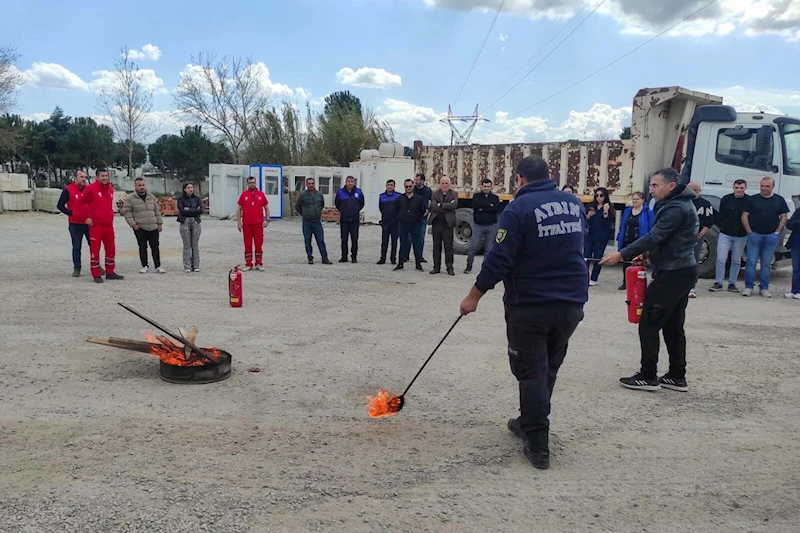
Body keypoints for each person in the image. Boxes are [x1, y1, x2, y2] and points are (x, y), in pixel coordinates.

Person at [459, 155, 587, 470]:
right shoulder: (573, 205)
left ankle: (538, 445)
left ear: (519, 179)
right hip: (571, 304)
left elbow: (498, 259)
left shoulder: (518, 208)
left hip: (530, 305)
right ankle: (529, 419)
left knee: (530, 372)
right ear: (549, 176)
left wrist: (473, 296)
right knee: (549, 367)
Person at [600, 167, 698, 393]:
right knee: (673, 325)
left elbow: (655, 236)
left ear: (671, 186)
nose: (651, 190)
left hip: (674, 273)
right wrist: (647, 254)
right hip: (680, 270)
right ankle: (676, 376)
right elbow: (665, 240)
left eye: (655, 185)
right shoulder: (675, 204)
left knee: (649, 323)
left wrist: (621, 254)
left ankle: (648, 376)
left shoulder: (676, 208)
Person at [741, 177, 789, 298]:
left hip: (771, 236)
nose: (764, 188)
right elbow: (744, 215)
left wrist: (777, 232)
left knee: (766, 263)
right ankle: (748, 287)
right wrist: (749, 231)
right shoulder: (752, 199)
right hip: (754, 235)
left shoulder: (779, 200)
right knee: (751, 262)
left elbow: (784, 216)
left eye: (767, 186)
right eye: (762, 186)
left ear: (773, 186)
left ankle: (764, 288)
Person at [81, 168, 123, 283]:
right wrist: (86, 217)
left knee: (111, 248)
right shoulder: (91, 189)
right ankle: (96, 273)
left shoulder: (110, 189)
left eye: (106, 176)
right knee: (95, 249)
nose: (105, 178)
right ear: (97, 177)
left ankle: (110, 271)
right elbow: (81, 203)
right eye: (102, 176)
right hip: (96, 224)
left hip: (108, 224)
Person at [57, 170, 103, 277]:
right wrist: (71, 213)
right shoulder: (68, 190)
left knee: (93, 246)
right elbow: (60, 206)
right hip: (75, 224)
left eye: (85, 177)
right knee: (76, 246)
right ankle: (77, 268)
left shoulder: (89, 189)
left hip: (89, 223)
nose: (83, 179)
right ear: (75, 178)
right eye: (81, 177)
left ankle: (97, 266)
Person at [710, 179, 749, 293]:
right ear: (733, 188)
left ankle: (732, 283)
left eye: (741, 188)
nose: (739, 190)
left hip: (741, 235)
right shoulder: (726, 199)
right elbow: (721, 215)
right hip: (725, 233)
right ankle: (719, 282)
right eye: (737, 188)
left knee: (736, 260)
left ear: (745, 188)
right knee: (721, 259)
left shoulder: (748, 201)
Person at [122, 178, 165, 274]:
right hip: (140, 227)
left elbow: (156, 211)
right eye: (139, 185)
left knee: (155, 247)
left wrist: (160, 223)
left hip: (153, 226)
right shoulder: (130, 198)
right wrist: (133, 224)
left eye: (143, 185)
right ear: (135, 186)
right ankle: (144, 265)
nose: (142, 187)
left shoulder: (151, 197)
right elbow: (127, 212)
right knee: (142, 247)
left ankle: (158, 266)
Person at [615, 191, 655, 290]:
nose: (635, 201)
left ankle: (638, 283)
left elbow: (651, 227)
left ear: (643, 200)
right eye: (633, 199)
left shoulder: (648, 212)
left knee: (639, 262)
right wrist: (620, 236)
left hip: (639, 241)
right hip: (627, 239)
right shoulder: (628, 211)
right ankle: (626, 282)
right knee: (626, 262)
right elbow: (622, 225)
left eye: (637, 199)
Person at [465, 179, 501, 274]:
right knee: (473, 246)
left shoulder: (495, 198)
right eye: (484, 186)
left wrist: (482, 208)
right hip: (478, 225)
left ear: (491, 187)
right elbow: (475, 205)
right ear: (481, 186)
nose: (486, 188)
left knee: (489, 248)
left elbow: (496, 208)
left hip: (491, 226)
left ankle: (485, 268)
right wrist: (489, 206)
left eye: (488, 186)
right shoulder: (476, 196)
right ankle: (468, 266)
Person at [295, 177, 332, 265]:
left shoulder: (319, 194)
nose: (311, 185)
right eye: (309, 183)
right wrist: (304, 214)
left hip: (317, 222)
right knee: (308, 240)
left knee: (321, 240)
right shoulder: (303, 195)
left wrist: (317, 212)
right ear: (306, 184)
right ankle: (310, 258)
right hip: (307, 222)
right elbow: (297, 206)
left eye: (312, 183)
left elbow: (321, 205)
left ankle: (324, 258)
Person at [237, 176, 270, 271]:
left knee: (258, 244)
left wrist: (267, 220)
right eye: (250, 182)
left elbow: (266, 208)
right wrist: (239, 222)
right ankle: (248, 264)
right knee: (247, 244)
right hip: (247, 225)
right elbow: (239, 209)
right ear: (247, 184)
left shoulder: (261, 195)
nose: (252, 184)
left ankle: (259, 263)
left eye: (254, 182)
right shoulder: (244, 195)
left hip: (258, 225)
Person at [688, 182, 714, 298]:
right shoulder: (682, 202)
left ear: (700, 190)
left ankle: (692, 286)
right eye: (691, 189)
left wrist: (701, 234)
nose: (693, 192)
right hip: (681, 237)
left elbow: (709, 222)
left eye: (695, 190)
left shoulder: (705, 204)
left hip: (696, 238)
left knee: (694, 262)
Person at [393, 179, 426, 272]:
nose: (408, 188)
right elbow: (395, 210)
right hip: (403, 225)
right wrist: (400, 218)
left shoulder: (419, 199)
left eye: (410, 186)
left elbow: (423, 210)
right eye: (406, 186)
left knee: (417, 245)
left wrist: (418, 219)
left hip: (415, 225)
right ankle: (400, 264)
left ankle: (418, 264)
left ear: (413, 186)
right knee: (403, 244)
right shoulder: (399, 199)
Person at [584, 187, 615, 286]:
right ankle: (585, 277)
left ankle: (594, 278)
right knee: (586, 257)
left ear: (605, 196)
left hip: (601, 237)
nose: (599, 198)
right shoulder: (591, 206)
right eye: (597, 195)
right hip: (590, 236)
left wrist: (605, 212)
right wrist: (589, 215)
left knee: (598, 258)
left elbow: (609, 223)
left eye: (601, 195)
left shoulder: (608, 207)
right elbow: (584, 220)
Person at [428, 176, 458, 275]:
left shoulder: (454, 194)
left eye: (446, 183)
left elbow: (453, 206)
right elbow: (433, 207)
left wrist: (440, 205)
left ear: (450, 184)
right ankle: (436, 267)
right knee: (436, 246)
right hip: (437, 223)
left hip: (448, 224)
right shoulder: (434, 193)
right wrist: (446, 206)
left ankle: (449, 267)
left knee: (448, 247)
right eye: (443, 183)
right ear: (440, 184)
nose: (444, 185)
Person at [334, 175, 365, 263]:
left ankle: (354, 257)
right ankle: (344, 257)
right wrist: (344, 211)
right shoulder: (340, 192)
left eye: (352, 181)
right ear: (346, 182)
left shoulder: (359, 192)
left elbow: (362, 204)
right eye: (348, 181)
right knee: (344, 239)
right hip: (344, 220)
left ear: (354, 182)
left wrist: (355, 210)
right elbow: (337, 204)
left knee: (354, 239)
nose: (350, 183)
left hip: (354, 220)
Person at [177, 182, 203, 273]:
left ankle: (196, 265)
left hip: (195, 221)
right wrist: (195, 210)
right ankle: (187, 266)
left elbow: (200, 210)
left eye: (192, 187)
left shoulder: (197, 199)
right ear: (185, 189)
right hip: (185, 221)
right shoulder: (180, 199)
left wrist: (190, 209)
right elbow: (182, 211)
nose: (190, 189)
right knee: (187, 244)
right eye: (188, 187)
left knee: (195, 244)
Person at [377, 180, 400, 265]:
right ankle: (382, 258)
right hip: (385, 222)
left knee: (394, 241)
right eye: (388, 185)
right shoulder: (382, 196)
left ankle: (393, 258)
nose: (390, 187)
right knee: (384, 241)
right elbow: (381, 208)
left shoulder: (398, 196)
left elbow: (399, 208)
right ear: (386, 186)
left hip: (395, 222)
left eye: (391, 185)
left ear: (394, 186)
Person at [414, 172, 432, 263]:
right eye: (415, 180)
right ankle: (405, 256)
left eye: (417, 180)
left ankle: (419, 256)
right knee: (410, 237)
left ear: (422, 181)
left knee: (421, 237)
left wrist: (428, 210)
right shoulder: (413, 190)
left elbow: (432, 201)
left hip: (423, 217)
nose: (415, 182)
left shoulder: (427, 191)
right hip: (413, 217)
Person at [786, 206, 800, 299]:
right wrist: (797, 222)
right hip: (796, 243)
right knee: (796, 269)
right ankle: (794, 290)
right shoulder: (798, 211)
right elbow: (789, 224)